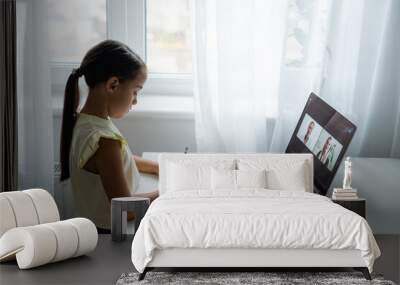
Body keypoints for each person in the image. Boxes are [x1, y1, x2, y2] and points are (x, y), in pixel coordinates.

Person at [60, 40, 159, 233]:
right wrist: (167, 193)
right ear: (113, 85)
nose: (135, 100)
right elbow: (125, 209)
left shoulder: (86, 121)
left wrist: (156, 167)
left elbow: (120, 159)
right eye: (135, 91)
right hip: (112, 236)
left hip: (93, 225)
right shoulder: (104, 140)